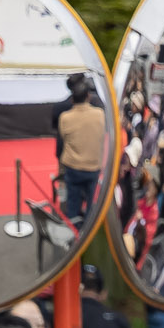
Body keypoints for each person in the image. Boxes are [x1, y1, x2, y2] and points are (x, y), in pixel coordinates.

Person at [54, 77, 107, 221]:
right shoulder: (100, 115)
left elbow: (60, 147)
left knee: (73, 205)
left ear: (72, 100)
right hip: (93, 168)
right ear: (88, 97)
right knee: (92, 206)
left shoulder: (65, 118)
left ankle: (74, 232)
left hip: (73, 168)